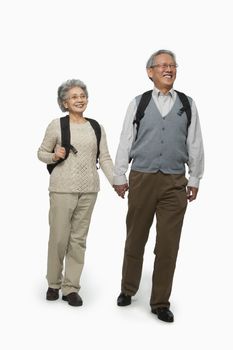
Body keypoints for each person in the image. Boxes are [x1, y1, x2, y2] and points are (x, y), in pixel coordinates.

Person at [113, 50, 204, 322]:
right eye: (162, 65)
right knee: (136, 237)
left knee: (168, 245)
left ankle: (160, 302)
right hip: (142, 177)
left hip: (175, 182)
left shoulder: (187, 103)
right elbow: (126, 139)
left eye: (172, 65)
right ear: (150, 72)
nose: (169, 69)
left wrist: (195, 177)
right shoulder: (138, 102)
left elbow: (195, 142)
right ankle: (128, 289)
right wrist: (120, 176)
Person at [38, 79, 113, 306]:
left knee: (78, 240)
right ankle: (53, 283)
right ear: (65, 103)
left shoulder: (96, 127)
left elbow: (105, 158)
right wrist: (54, 155)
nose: (80, 99)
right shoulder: (56, 125)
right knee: (59, 238)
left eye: (82, 95)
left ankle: (71, 287)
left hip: (89, 189)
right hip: (61, 188)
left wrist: (118, 182)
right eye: (74, 97)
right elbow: (41, 152)